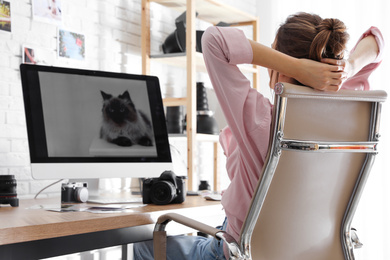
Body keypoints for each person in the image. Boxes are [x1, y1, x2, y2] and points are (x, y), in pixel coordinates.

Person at [133, 12, 384, 260]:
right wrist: (346, 68)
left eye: (273, 58)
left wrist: (295, 66)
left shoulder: (263, 121)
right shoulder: (346, 117)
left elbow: (213, 40)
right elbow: (378, 40)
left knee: (145, 246)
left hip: (242, 252)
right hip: (307, 253)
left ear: (282, 67)